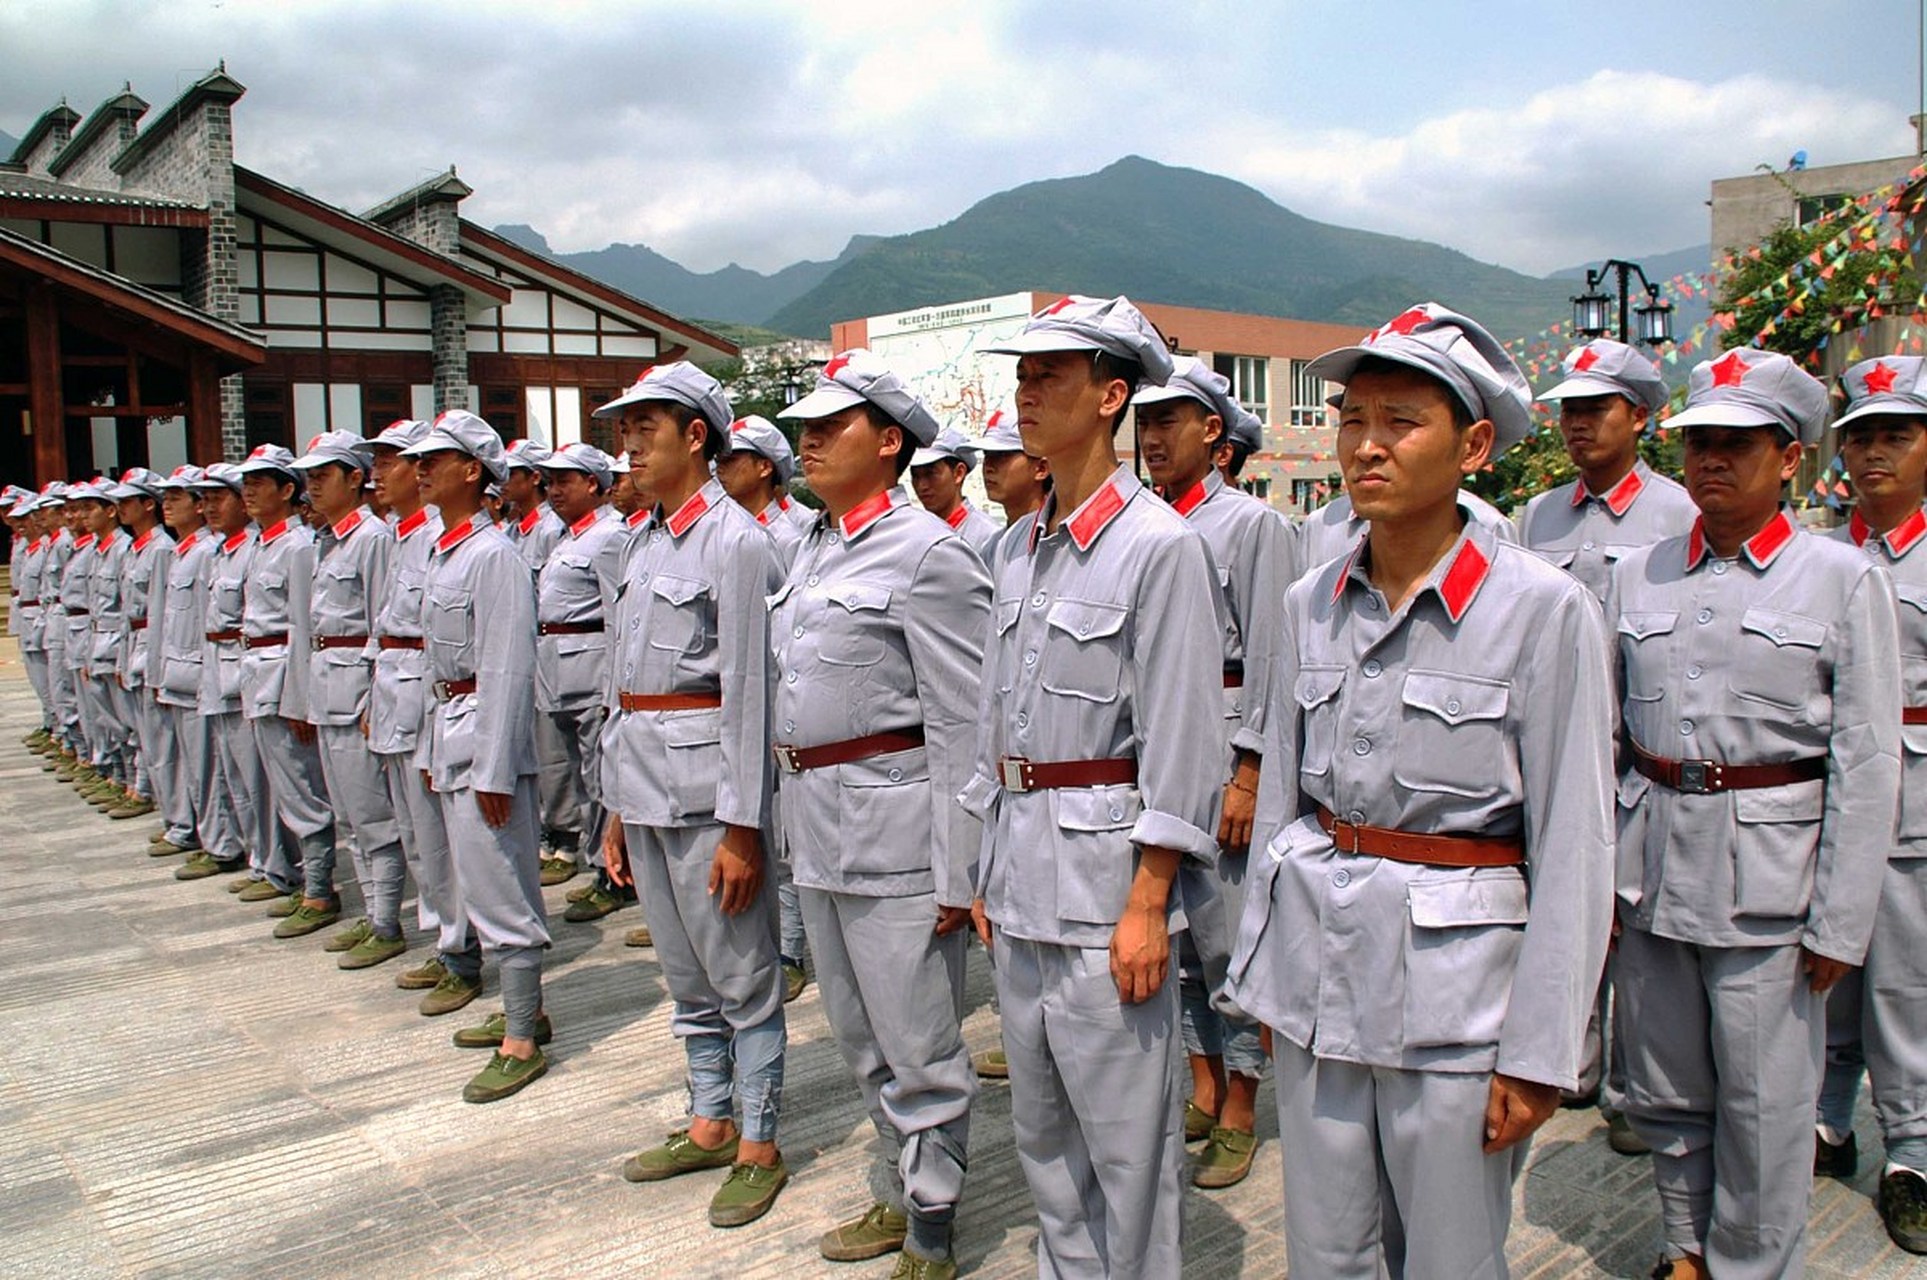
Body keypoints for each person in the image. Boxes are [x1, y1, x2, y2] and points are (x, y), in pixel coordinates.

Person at [1223, 302, 1616, 1277]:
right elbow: (1280, 813)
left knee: (1449, 1257)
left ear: (1472, 445)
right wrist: (1263, 974)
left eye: (1400, 421)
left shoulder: (1542, 611)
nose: (1366, 444)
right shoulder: (1307, 603)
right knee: (1325, 1252)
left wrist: (1539, 1051)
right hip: (1317, 984)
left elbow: (1574, 845)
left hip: (1458, 1005)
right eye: (1352, 418)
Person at [1608, 348, 1901, 1280]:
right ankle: (1684, 1247)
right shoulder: (1637, 573)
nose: (1710, 460)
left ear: (1790, 459)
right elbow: (1606, 739)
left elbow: (1866, 758)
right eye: (1698, 441)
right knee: (1663, 1087)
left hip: (1772, 891)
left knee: (1765, 1106)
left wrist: (1841, 921)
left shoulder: (1840, 577)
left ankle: (1749, 1267)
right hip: (1650, 870)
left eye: (1737, 444)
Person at [961, 295, 1223, 1277]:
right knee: (1042, 1139)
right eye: (1021, 376)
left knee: (1126, 1148)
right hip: (1019, 880)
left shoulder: (1160, 546)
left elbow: (1183, 741)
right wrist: (981, 867)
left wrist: (1150, 900)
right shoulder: (1014, 547)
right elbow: (995, 723)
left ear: (1111, 397)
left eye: (1049, 376)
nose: (1025, 394)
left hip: (1105, 889)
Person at [772, 350, 991, 1278]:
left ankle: (933, 1221)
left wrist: (959, 868)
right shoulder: (812, 546)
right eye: (805, 428)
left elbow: (964, 722)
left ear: (890, 441)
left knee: (917, 1039)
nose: (810, 441)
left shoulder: (929, 554)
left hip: (896, 836)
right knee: (858, 1035)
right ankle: (899, 1185)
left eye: (833, 426)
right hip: (817, 829)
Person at [594, 363, 789, 1228]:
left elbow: (749, 691)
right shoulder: (640, 542)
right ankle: (709, 1118)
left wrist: (744, 826)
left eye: (646, 428)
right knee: (684, 975)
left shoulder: (736, 542)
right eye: (624, 430)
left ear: (696, 436)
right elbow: (622, 688)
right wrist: (613, 806)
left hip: (708, 794)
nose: (629, 446)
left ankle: (759, 1141)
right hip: (642, 784)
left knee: (742, 974)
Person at [1133, 355, 1294, 1190]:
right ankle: (1203, 1084)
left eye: (1169, 420)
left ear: (1212, 432)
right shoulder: (1142, 526)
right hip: (1160, 743)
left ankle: (1241, 1104)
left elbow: (1271, 654)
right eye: (1144, 422)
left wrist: (1251, 770)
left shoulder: (1251, 526)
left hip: (1228, 739)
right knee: (1181, 939)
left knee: (1230, 939)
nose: (1152, 437)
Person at [1810, 356, 1927, 1255]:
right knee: (1826, 972)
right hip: (1821, 797)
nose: (1873, 453)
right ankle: (1828, 1120)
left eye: (1896, 435)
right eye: (1860, 438)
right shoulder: (1819, 553)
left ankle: (1912, 1153)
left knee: (1902, 980)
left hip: (1912, 797)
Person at [402, 410, 552, 1103]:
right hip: (451, 730)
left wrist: (494, 767)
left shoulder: (494, 555)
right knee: (479, 878)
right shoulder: (446, 549)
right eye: (420, 460)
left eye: (436, 459)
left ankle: (521, 1039)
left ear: (473, 471)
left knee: (499, 886)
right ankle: (527, 1011)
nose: (421, 469)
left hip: (483, 739)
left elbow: (507, 668)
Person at [367, 419, 476, 1013]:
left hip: (430, 696)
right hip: (396, 689)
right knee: (415, 832)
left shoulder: (446, 537)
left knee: (439, 836)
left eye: (395, 461)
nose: (380, 473)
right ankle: (442, 936)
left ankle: (461, 947)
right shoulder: (399, 536)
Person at [293, 432, 410, 970]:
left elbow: (382, 626)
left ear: (354, 478)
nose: (313, 486)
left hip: (357, 691)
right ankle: (371, 911)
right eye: (310, 477)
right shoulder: (326, 540)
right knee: (348, 815)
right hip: (327, 688)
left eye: (324, 475)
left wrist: (373, 698)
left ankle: (386, 921)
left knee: (372, 815)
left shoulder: (372, 539)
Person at [234, 445, 338, 940]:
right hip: (258, 672)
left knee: (302, 787)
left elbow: (301, 625)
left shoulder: (297, 546)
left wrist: (299, 696)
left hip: (282, 677)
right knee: (279, 783)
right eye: (246, 483)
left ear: (286, 490)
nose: (249, 491)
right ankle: (295, 874)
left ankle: (319, 888)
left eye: (260, 482)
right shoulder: (262, 543)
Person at [1518, 338, 1697, 602]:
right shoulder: (1539, 512)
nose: (1578, 424)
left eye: (1595, 410)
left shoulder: (1682, 512)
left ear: (1638, 417)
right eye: (1569, 411)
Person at [197, 464, 294, 903]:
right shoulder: (234, 550)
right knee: (238, 774)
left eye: (220, 497)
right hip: (228, 668)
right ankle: (261, 859)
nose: (210, 507)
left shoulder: (278, 546)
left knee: (261, 780)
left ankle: (280, 866)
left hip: (256, 671)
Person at [531, 442, 625, 891]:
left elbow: (617, 617)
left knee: (599, 775)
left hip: (591, 672)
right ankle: (596, 861)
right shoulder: (567, 537)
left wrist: (611, 688)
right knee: (574, 776)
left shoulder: (610, 537)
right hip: (557, 672)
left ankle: (611, 873)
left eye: (564, 481)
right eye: (550, 482)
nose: (554, 490)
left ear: (592, 483)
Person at [152, 467, 238, 876]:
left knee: (209, 766)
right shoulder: (182, 551)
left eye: (178, 498)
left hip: (202, 673)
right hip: (181, 671)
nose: (168, 505)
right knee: (193, 762)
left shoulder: (206, 552)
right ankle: (207, 834)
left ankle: (221, 843)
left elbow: (212, 622)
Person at [106, 468, 172, 823]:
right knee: (139, 727)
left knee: (159, 736)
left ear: (149, 504)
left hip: (151, 642)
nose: (121, 508)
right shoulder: (135, 549)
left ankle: (163, 805)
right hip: (132, 640)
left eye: (128, 501)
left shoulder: (161, 549)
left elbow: (161, 611)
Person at [908, 426, 999, 557]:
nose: (922, 486)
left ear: (958, 473)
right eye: (915, 476)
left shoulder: (988, 538)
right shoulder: (913, 532)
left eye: (931, 474)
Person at [975, 406, 1049, 564]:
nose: (988, 466)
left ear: (1041, 469)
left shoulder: (1053, 541)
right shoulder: (992, 546)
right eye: (986, 454)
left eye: (1002, 456)